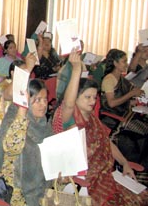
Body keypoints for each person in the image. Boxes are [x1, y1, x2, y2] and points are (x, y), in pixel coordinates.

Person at [52, 50, 148, 205]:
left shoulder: (92, 119)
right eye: (87, 97)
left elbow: (107, 142)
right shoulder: (67, 120)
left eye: (94, 98)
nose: (92, 101)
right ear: (75, 97)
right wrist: (77, 70)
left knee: (142, 196)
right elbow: (68, 104)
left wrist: (124, 162)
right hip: (84, 182)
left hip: (106, 174)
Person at [0, 78, 52, 205]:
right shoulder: (13, 119)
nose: (43, 104)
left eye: (45, 99)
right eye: (37, 100)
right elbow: (12, 147)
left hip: (39, 187)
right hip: (13, 190)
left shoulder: (45, 126)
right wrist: (22, 110)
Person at [100, 49, 143, 130]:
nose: (126, 65)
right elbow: (111, 103)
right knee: (142, 130)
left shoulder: (121, 78)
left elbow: (122, 101)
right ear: (115, 63)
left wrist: (138, 101)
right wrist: (131, 94)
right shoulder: (108, 80)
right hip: (112, 118)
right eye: (124, 61)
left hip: (122, 114)